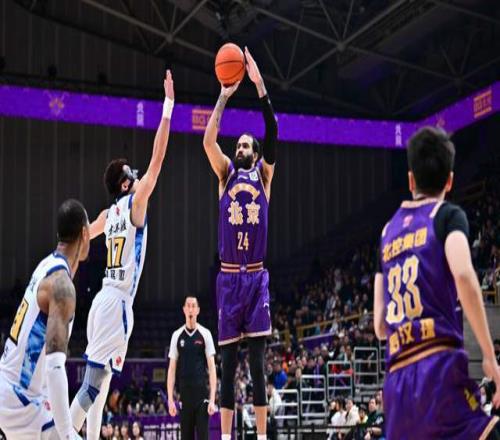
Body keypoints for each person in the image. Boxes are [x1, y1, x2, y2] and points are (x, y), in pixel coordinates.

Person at [374, 126, 500, 439]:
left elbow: (379, 325)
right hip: (438, 367)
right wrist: (488, 355)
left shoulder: (386, 233)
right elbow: (463, 275)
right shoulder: (446, 215)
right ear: (450, 181)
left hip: (397, 384)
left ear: (410, 180)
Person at [70, 70, 175, 440]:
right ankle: (59, 435)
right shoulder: (134, 203)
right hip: (116, 304)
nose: (137, 172)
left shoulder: (105, 214)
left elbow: (81, 239)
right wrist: (168, 106)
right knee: (92, 387)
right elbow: (158, 159)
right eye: (132, 172)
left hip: (102, 301)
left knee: (100, 387)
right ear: (127, 183)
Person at [202, 46, 278, 440]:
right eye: (239, 146)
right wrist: (224, 95)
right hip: (229, 279)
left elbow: (273, 129)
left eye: (246, 145)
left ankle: (261, 438)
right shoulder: (226, 175)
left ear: (257, 153)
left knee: (259, 365)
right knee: (229, 365)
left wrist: (260, 85)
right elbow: (208, 141)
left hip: (257, 278)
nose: (240, 148)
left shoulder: (264, 177)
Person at [0, 199, 90, 439]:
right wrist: (66, 434)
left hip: (11, 391)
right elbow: (54, 366)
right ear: (84, 234)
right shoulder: (62, 286)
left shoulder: (46, 265)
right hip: (20, 403)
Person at [167, 296, 217, 440]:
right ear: (184, 309)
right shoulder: (176, 335)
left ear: (198, 310)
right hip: (185, 398)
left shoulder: (205, 334)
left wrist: (212, 399)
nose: (190, 309)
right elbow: (171, 370)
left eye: (193, 306)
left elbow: (212, 368)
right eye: (188, 306)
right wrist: (170, 400)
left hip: (202, 398)